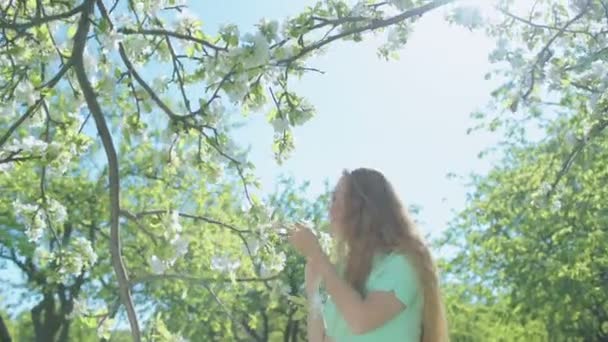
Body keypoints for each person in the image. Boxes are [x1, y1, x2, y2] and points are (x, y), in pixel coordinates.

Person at [288, 168, 449, 342]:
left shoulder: (403, 263)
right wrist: (313, 293)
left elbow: (361, 321)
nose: (330, 209)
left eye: (337, 199)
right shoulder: (343, 275)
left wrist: (318, 256)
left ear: (363, 209)